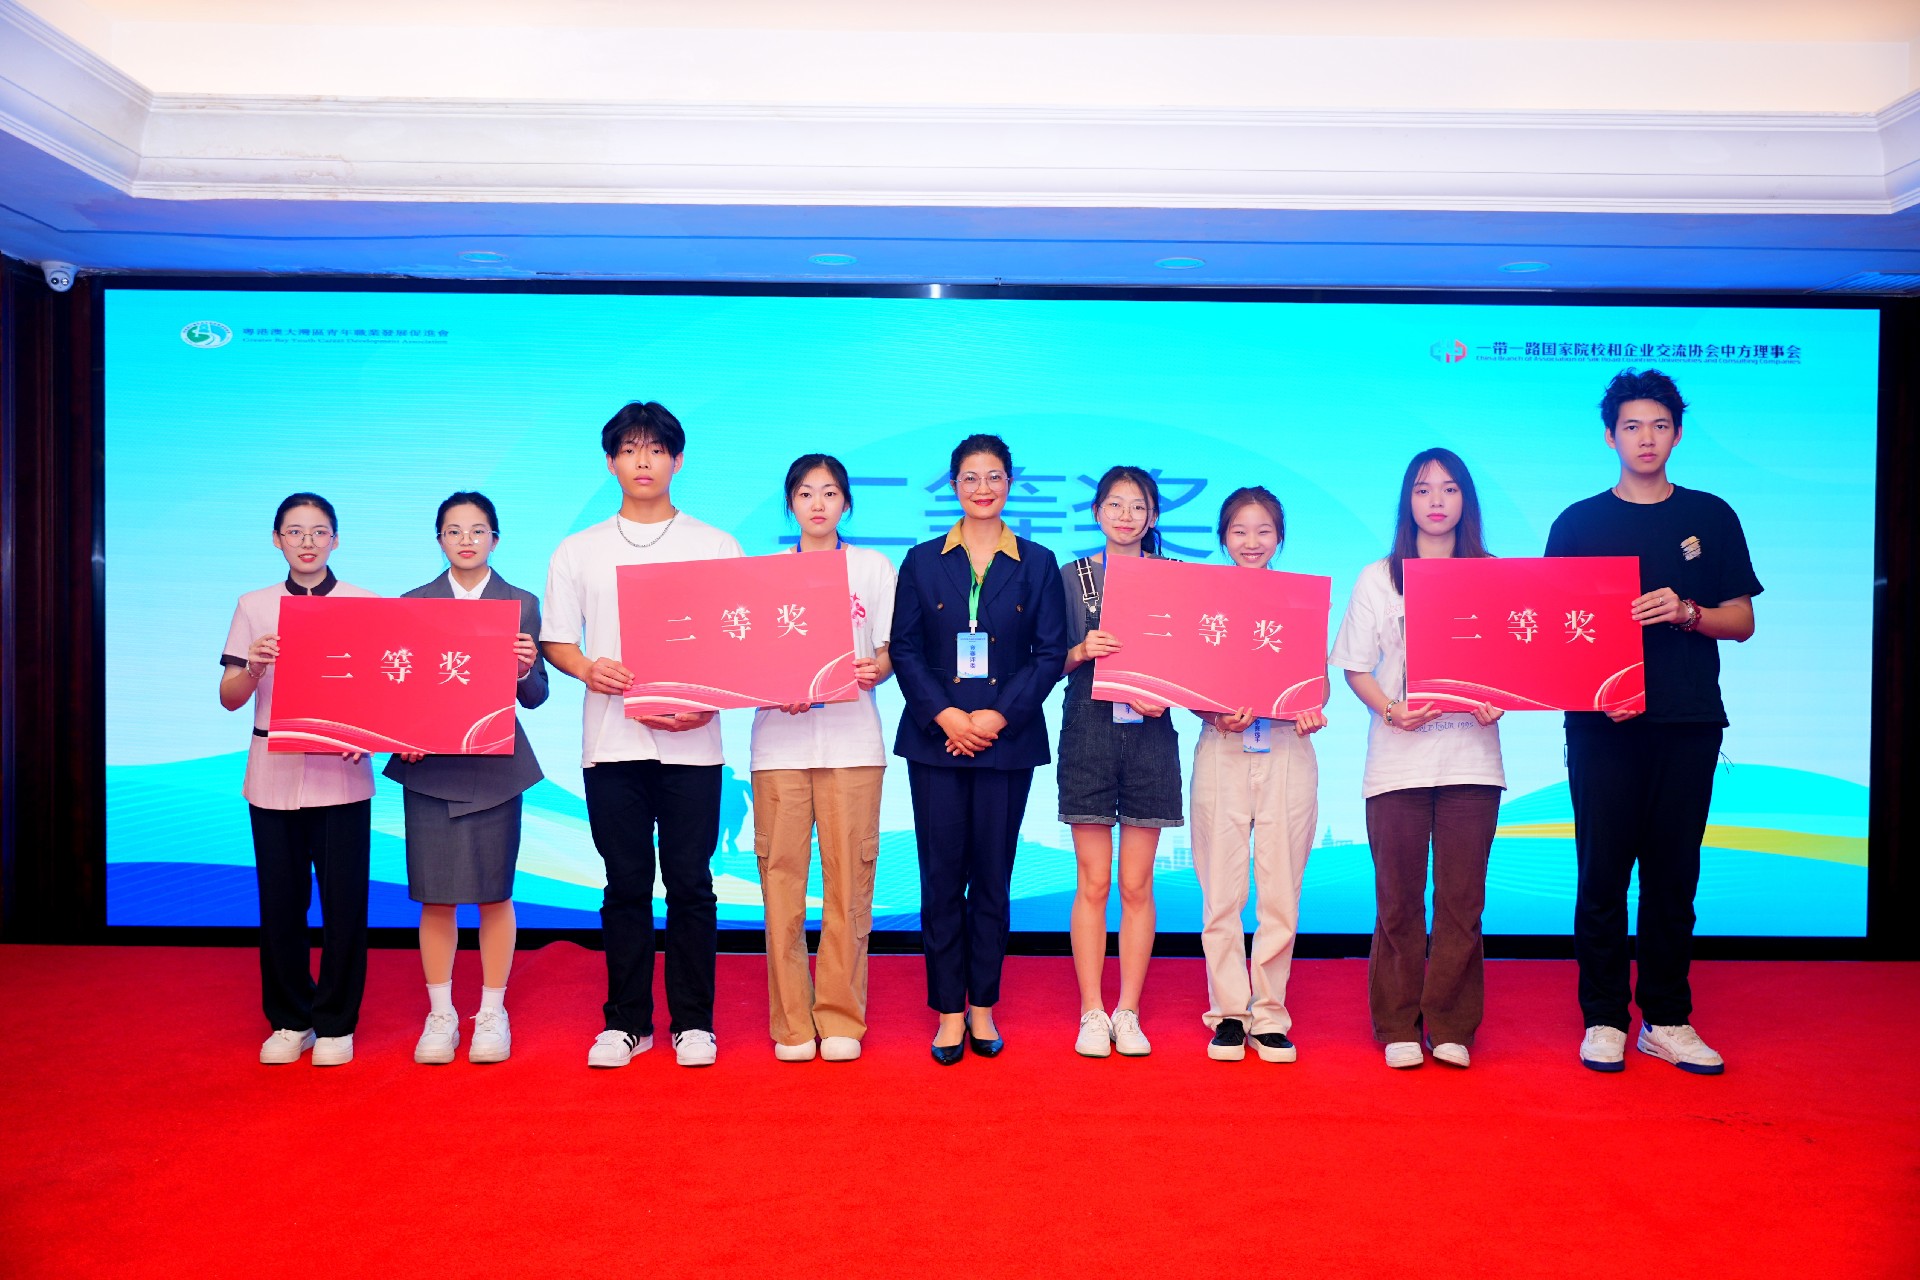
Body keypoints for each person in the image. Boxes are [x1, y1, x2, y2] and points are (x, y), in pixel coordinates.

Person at [1546, 369, 1759, 1075]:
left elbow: (1743, 620)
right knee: (1602, 873)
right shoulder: (1578, 524)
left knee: (1674, 874)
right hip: (1601, 723)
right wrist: (1591, 691)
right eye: (1632, 426)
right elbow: (1553, 629)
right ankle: (1605, 1017)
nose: (1646, 438)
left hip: (1687, 720)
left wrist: (1688, 613)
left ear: (1678, 434)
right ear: (1610, 437)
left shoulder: (1711, 515)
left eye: (1659, 425)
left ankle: (1666, 1018)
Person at [540, 401, 744, 1069]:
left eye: (656, 449)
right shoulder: (579, 549)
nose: (643, 461)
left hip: (695, 746)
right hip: (612, 744)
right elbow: (557, 640)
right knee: (624, 884)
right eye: (629, 450)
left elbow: (737, 644)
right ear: (611, 463)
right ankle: (627, 1022)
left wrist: (710, 702)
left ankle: (693, 1021)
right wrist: (588, 669)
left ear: (677, 460)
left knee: (691, 884)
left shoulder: (715, 545)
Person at [890, 433, 1068, 1064]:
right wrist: (945, 715)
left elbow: (1050, 653)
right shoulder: (922, 561)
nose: (983, 488)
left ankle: (984, 1006)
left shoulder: (1039, 562)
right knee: (941, 878)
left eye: (994, 477)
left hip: (1005, 740)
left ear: (1010, 484)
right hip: (936, 739)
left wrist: (997, 714)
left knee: (993, 877)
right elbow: (904, 648)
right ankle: (947, 1011)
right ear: (954, 486)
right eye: (970, 477)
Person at [1330, 449, 1505, 1070]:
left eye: (1450, 489)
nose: (1436, 500)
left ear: (1466, 501)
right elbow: (1355, 667)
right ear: (1407, 500)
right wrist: (1389, 709)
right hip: (1397, 761)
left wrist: (1500, 700)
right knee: (1398, 901)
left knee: (1462, 902)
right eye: (1424, 489)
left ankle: (1452, 1024)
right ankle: (1398, 1023)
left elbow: (1511, 664)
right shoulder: (1378, 577)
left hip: (1471, 761)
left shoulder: (1494, 575)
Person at [384, 491, 548, 1065]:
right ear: (439, 540)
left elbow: (536, 696)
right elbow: (397, 687)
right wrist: (399, 735)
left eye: (478, 530)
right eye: (454, 531)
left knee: (494, 893)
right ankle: (441, 1014)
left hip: (494, 767)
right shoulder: (412, 603)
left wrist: (525, 669)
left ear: (495, 540)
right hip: (431, 767)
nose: (466, 540)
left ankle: (492, 1011)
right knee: (435, 897)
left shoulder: (520, 603)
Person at [219, 493, 378, 1067]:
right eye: (295, 531)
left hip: (341, 773)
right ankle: (290, 1019)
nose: (307, 542)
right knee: (281, 903)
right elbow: (229, 697)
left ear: (336, 539)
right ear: (276, 539)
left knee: (344, 905)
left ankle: (336, 1022)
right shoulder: (254, 605)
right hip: (274, 772)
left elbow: (382, 689)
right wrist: (254, 666)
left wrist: (368, 733)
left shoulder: (365, 604)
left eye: (318, 531)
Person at [749, 455, 896, 1063]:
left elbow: (891, 650)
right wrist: (771, 682)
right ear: (791, 504)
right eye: (806, 493)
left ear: (846, 503)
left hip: (852, 744)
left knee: (849, 889)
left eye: (830, 493)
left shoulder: (872, 567)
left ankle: (839, 1017)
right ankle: (791, 1024)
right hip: (778, 745)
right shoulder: (764, 572)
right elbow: (746, 657)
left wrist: (876, 669)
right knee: (781, 887)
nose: (817, 503)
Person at [1191, 486, 1327, 1064]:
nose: (1252, 542)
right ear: (1224, 537)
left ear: (1280, 537)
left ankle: (1269, 1014)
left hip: (1288, 749)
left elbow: (1314, 682)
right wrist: (1213, 714)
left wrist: (1312, 709)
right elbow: (1188, 681)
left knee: (1280, 891)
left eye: (1264, 531)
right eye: (1240, 531)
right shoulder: (1205, 600)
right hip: (1222, 750)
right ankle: (1228, 1013)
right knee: (1221, 890)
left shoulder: (1300, 600)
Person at [1057, 466, 1182, 1059]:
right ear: (1097, 512)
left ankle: (1127, 1010)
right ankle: (1091, 1010)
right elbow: (1044, 661)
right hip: (1087, 731)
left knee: (1136, 882)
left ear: (1152, 515)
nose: (1126, 515)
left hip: (1152, 736)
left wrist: (1169, 692)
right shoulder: (1071, 576)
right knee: (1093, 880)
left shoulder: (1176, 577)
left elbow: (1196, 662)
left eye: (1138, 506)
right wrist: (1082, 649)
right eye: (1115, 504)